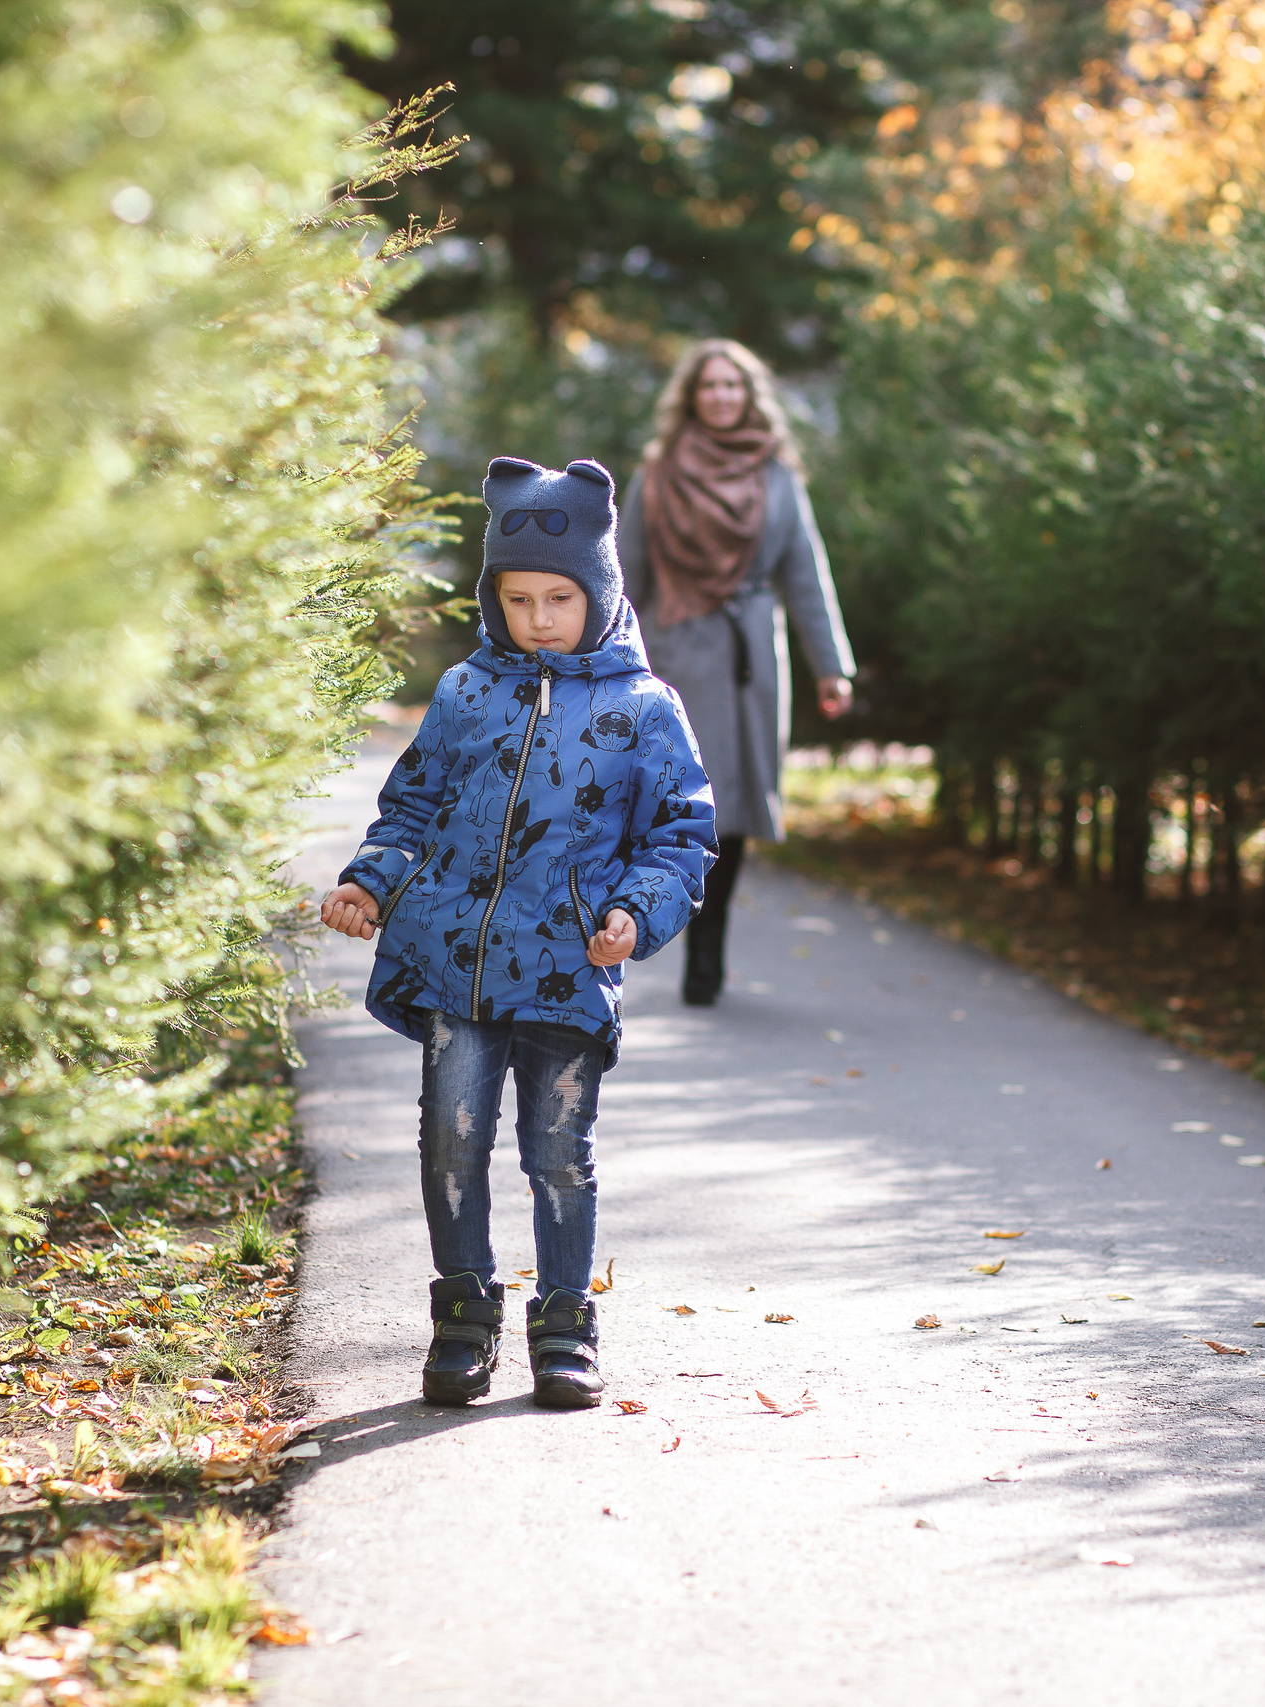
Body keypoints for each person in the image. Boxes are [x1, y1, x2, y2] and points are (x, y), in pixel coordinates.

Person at [321, 456, 715, 1409]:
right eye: (518, 597)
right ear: (493, 598)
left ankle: (566, 1321)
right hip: (456, 962)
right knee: (452, 1139)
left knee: (558, 1154)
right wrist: (369, 882)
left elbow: (682, 834)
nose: (539, 617)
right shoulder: (465, 692)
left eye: (559, 598)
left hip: (571, 973)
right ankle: (464, 1313)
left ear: (600, 593)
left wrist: (636, 910)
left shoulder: (643, 709)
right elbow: (409, 806)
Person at [620, 338, 856, 1006]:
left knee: (734, 810)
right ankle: (657, 924)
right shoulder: (658, 472)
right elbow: (626, 570)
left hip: (752, 654)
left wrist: (831, 666)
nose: (721, 396)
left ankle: (708, 945)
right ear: (691, 397)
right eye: (710, 385)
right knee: (677, 804)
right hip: (676, 652)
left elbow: (806, 572)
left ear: (750, 395)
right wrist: (608, 659)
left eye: (733, 385)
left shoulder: (778, 475)